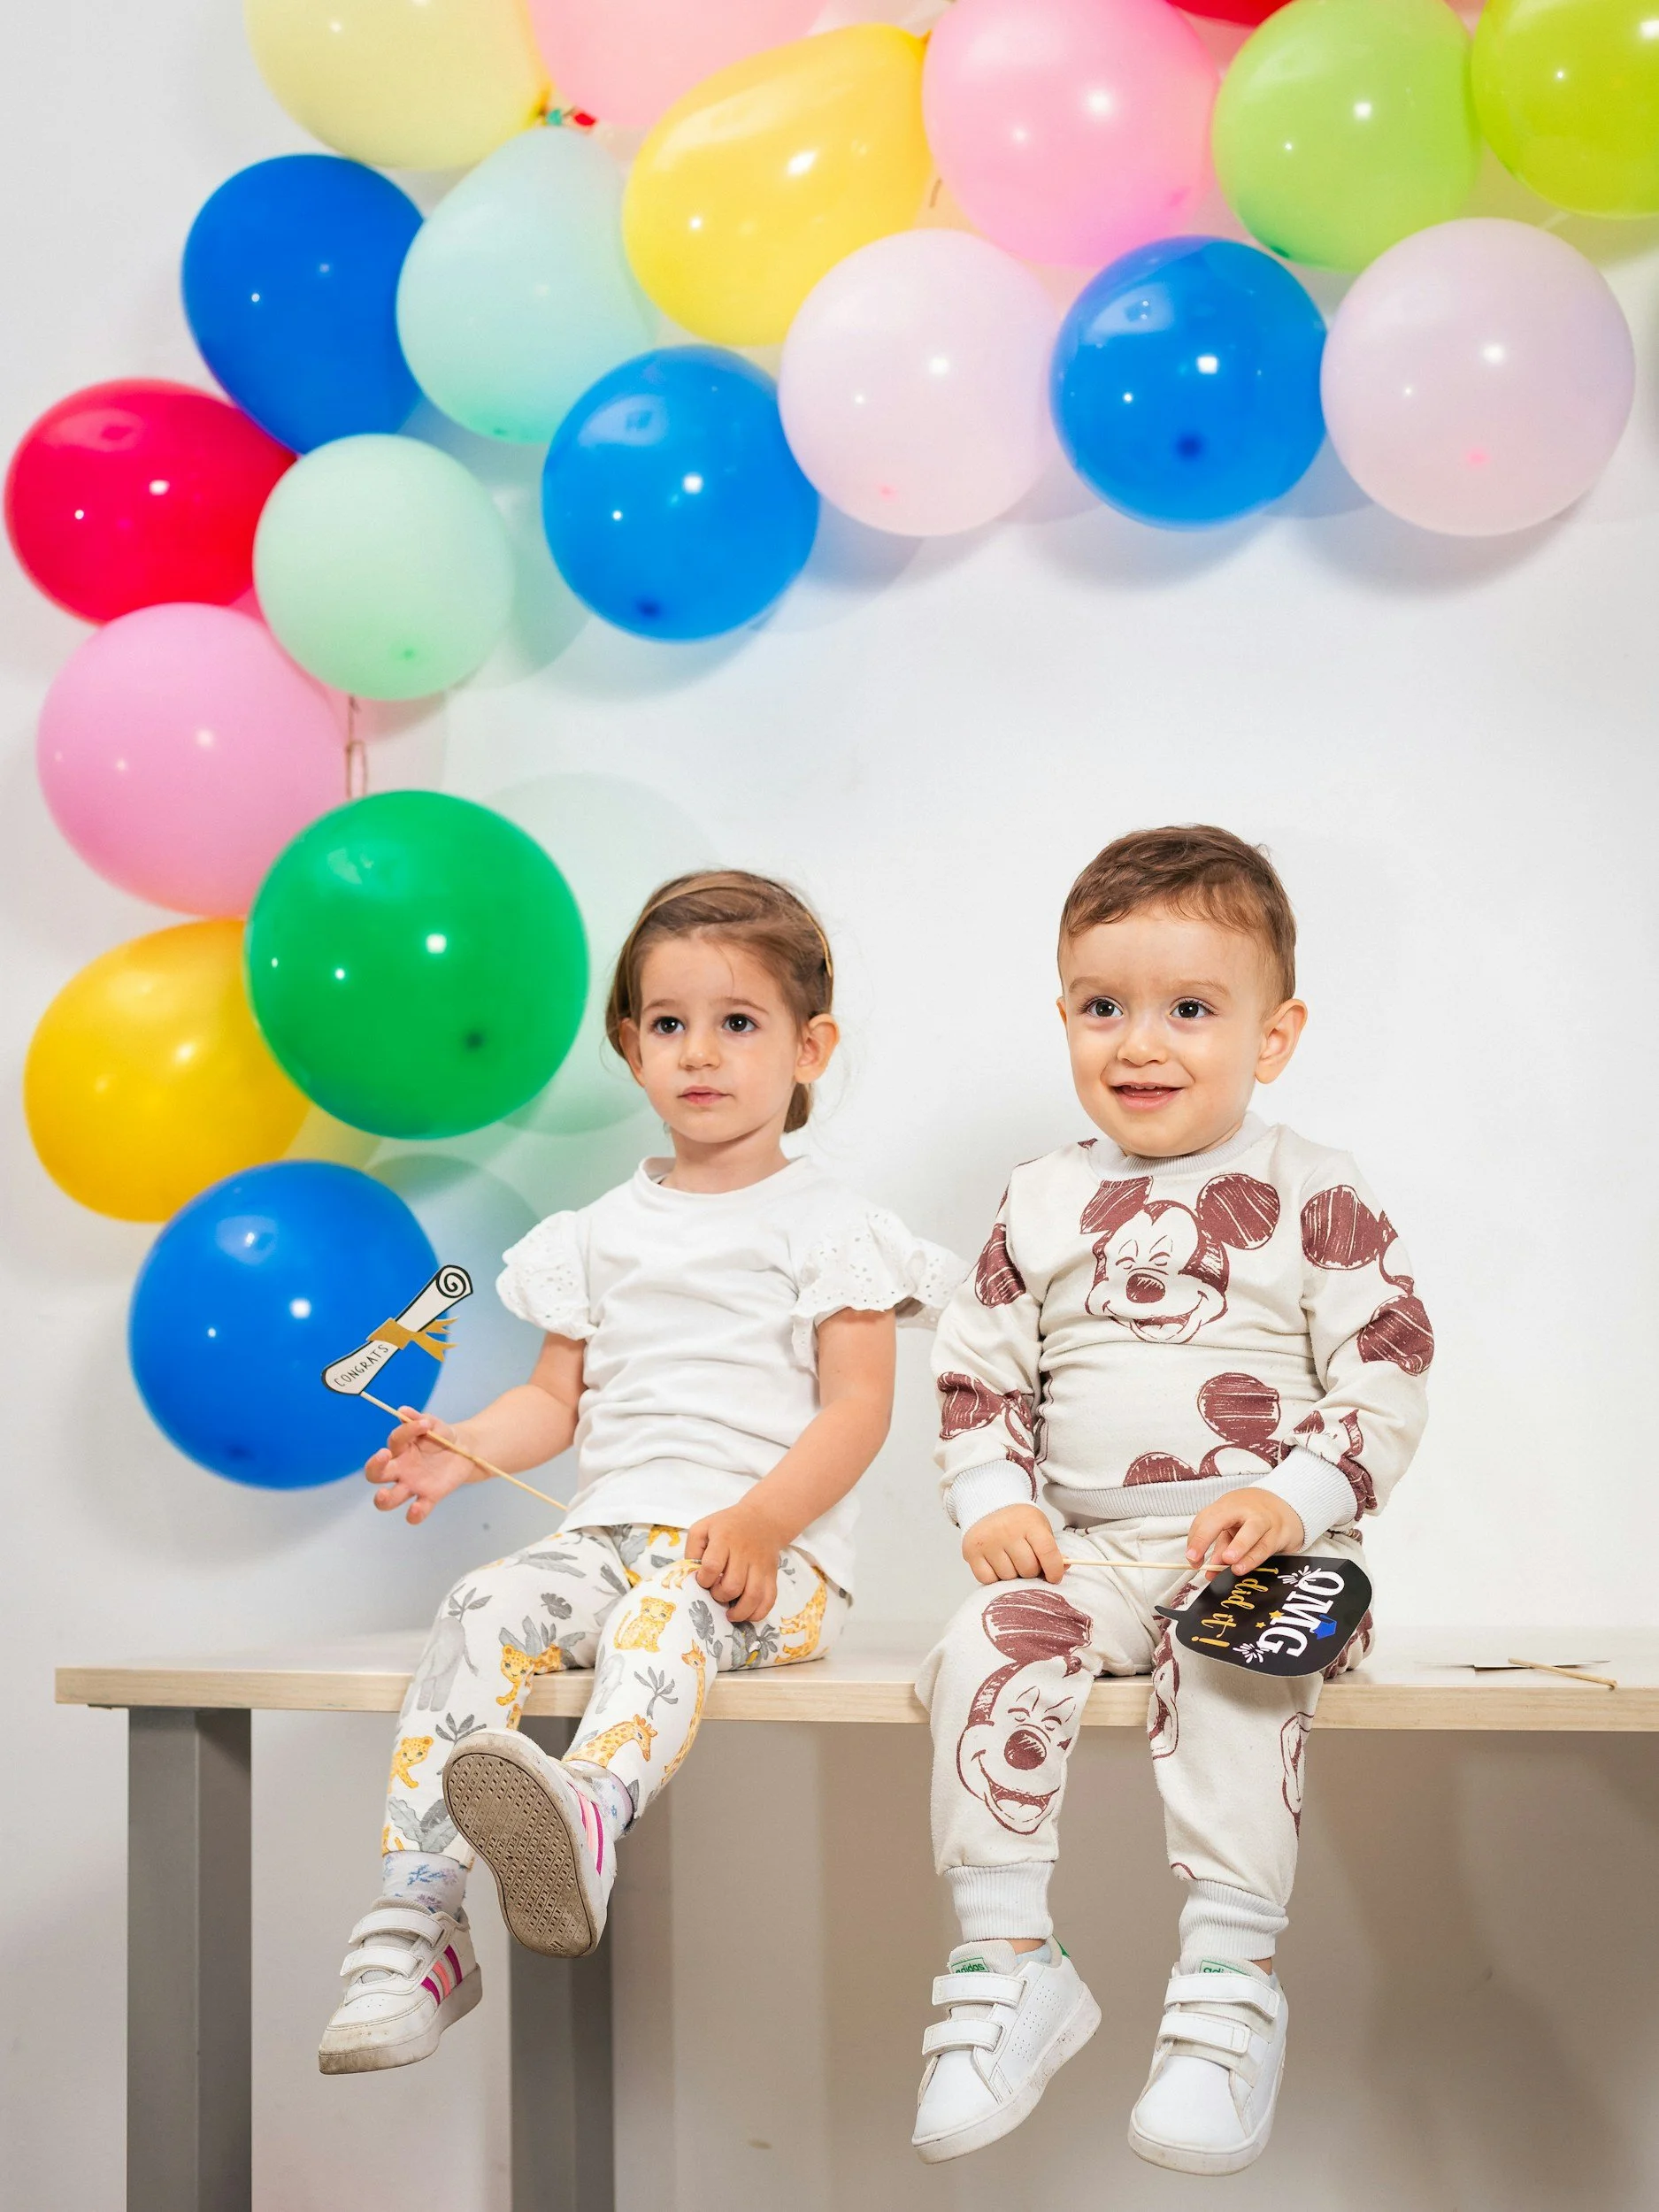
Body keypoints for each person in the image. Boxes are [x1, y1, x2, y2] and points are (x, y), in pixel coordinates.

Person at [319, 869, 960, 2076]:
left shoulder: (830, 1228)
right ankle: (419, 1919)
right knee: (479, 1605)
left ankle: (589, 1816)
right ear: (629, 1046)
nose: (699, 1054)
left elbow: (859, 1408)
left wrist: (764, 1523)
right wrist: (461, 1452)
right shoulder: (595, 1234)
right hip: (602, 1540)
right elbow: (551, 1402)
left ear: (810, 1048)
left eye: (738, 1023)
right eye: (668, 1025)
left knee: (666, 1617)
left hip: (763, 1563)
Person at [911, 826, 1432, 2174]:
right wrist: (990, 1502)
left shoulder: (1313, 1189)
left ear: (1272, 1035)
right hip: (1087, 1553)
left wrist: (1295, 1493)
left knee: (1233, 1667)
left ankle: (1226, 1986)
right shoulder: (1039, 1196)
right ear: (1065, 1016)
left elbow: (1386, 1363)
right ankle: (1008, 1958)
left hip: (1259, 1556)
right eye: (1102, 1008)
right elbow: (978, 1374)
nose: (1139, 1044)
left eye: (1189, 1010)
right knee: (979, 1643)